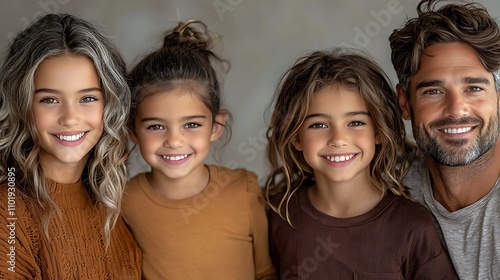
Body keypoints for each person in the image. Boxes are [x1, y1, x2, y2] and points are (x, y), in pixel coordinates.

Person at [264, 48, 457, 279]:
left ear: (378, 131)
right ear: (296, 137)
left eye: (355, 122)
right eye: (318, 125)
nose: (338, 139)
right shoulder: (278, 215)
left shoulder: (413, 228)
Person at [121, 19, 276, 279]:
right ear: (132, 131)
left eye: (191, 124)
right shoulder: (126, 202)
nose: (174, 140)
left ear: (216, 126)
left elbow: (265, 272)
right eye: (156, 127)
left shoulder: (244, 191)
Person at [0, 13, 141, 279]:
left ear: (108, 105)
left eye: (87, 98)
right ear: (23, 106)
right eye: (49, 100)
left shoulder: (112, 207)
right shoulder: (8, 214)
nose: (70, 118)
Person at [389, 0, 500, 278]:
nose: (456, 110)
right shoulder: (390, 187)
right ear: (404, 103)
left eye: (474, 88)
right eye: (433, 91)